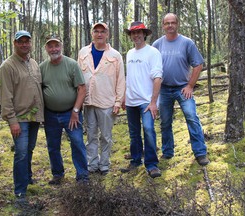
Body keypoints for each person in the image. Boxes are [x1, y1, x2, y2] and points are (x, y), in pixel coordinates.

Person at [152, 13, 210, 166]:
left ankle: (200, 152)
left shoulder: (187, 43)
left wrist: (190, 85)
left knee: (191, 117)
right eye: (167, 23)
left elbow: (198, 64)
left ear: (177, 24)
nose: (170, 25)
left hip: (182, 88)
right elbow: (150, 67)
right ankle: (168, 151)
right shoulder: (157, 44)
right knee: (165, 122)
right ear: (163, 25)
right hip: (164, 89)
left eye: (172, 22)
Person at [0, 30, 44, 206]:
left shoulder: (33, 63)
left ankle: (27, 177)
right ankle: (20, 191)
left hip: (34, 116)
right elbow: (6, 96)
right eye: (21, 42)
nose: (24, 44)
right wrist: (12, 121)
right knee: (21, 153)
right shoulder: (7, 66)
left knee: (29, 149)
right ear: (15, 43)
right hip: (19, 118)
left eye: (27, 41)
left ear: (30, 43)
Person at [40, 35, 89, 184]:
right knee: (53, 146)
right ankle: (58, 174)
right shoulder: (42, 68)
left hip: (70, 113)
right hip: (50, 115)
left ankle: (82, 176)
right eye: (50, 46)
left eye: (56, 45)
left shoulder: (72, 64)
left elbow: (82, 89)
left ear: (61, 46)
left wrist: (75, 111)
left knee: (77, 142)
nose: (54, 49)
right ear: (46, 49)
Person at [77, 23, 125, 175]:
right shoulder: (83, 52)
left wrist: (118, 101)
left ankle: (104, 164)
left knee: (105, 135)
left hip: (106, 102)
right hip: (88, 101)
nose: (99, 34)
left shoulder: (115, 56)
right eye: (96, 31)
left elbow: (120, 80)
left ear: (107, 34)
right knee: (91, 135)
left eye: (102, 32)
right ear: (92, 33)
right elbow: (78, 77)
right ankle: (92, 164)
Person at [120, 21, 163, 178]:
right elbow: (130, 77)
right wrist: (124, 96)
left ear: (144, 34)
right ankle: (136, 160)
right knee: (134, 134)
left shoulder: (153, 52)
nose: (136, 35)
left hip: (146, 101)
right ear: (130, 35)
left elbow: (158, 78)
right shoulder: (130, 54)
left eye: (139, 32)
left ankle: (151, 164)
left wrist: (153, 102)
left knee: (149, 130)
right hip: (131, 101)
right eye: (133, 33)